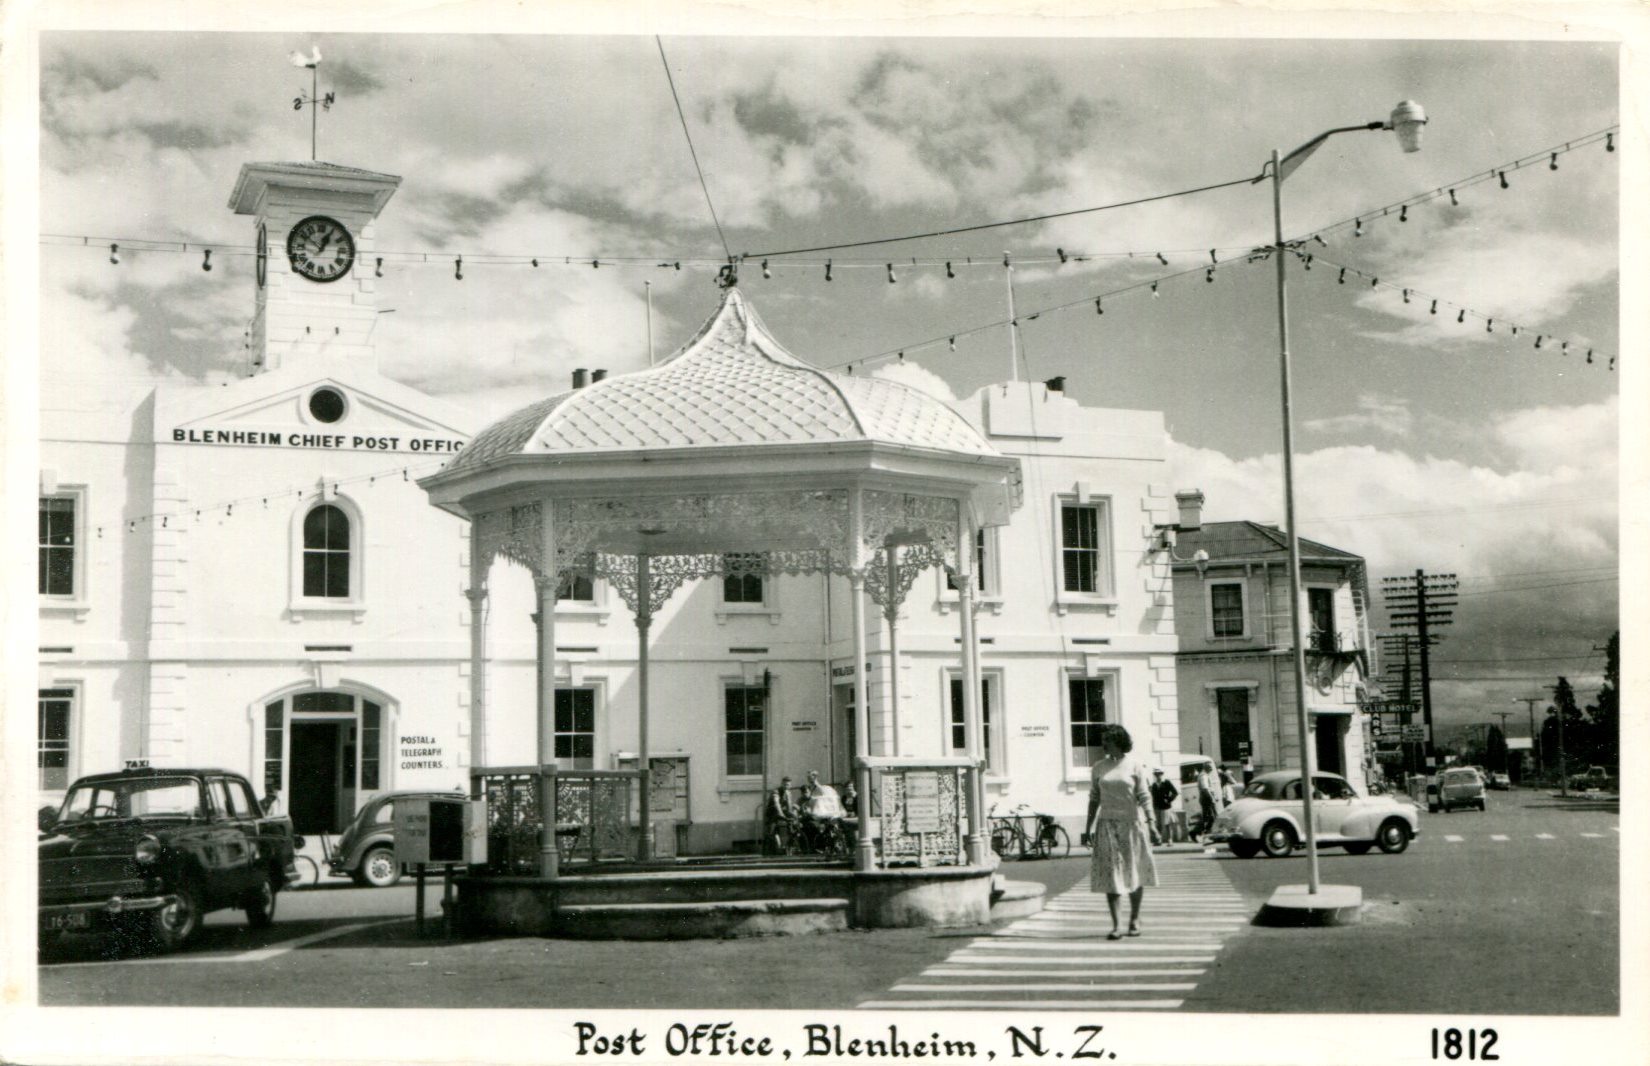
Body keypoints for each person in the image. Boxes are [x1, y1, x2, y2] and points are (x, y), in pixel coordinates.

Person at [1084, 723, 1158, 939]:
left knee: (1134, 872)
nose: (1103, 743)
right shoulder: (1099, 767)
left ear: (1118, 741)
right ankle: (1117, 925)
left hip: (1132, 825)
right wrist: (1088, 826)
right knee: (1111, 875)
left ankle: (1134, 919)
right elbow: (1094, 798)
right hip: (1106, 824)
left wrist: (1152, 822)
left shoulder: (1134, 766)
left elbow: (1144, 796)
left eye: (1107, 740)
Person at [764, 776, 799, 855]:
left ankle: (790, 845)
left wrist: (794, 815)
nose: (786, 787)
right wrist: (781, 815)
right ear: (781, 784)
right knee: (772, 831)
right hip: (772, 813)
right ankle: (773, 848)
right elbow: (777, 804)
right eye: (785, 784)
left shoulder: (788, 793)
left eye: (788, 785)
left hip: (783, 812)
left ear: (790, 785)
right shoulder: (776, 792)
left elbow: (789, 807)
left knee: (793, 824)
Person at [1148, 768, 1179, 844]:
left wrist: (1168, 799)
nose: (1158, 775)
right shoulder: (1154, 785)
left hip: (1165, 806)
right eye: (1156, 774)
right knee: (1158, 824)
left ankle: (1169, 840)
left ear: (1162, 774)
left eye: (1159, 774)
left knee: (1167, 824)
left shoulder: (1166, 782)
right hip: (1157, 807)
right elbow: (1153, 796)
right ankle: (1159, 840)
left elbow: (1175, 792)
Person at [1194, 763, 1221, 842]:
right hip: (1206, 798)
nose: (1211, 770)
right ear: (1206, 768)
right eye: (1210, 768)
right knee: (1211, 817)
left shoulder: (1205, 775)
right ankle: (1199, 832)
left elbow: (1210, 788)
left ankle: (1208, 833)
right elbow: (1205, 789)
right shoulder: (1203, 776)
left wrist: (1214, 796)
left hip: (1207, 797)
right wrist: (1211, 798)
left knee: (1210, 816)